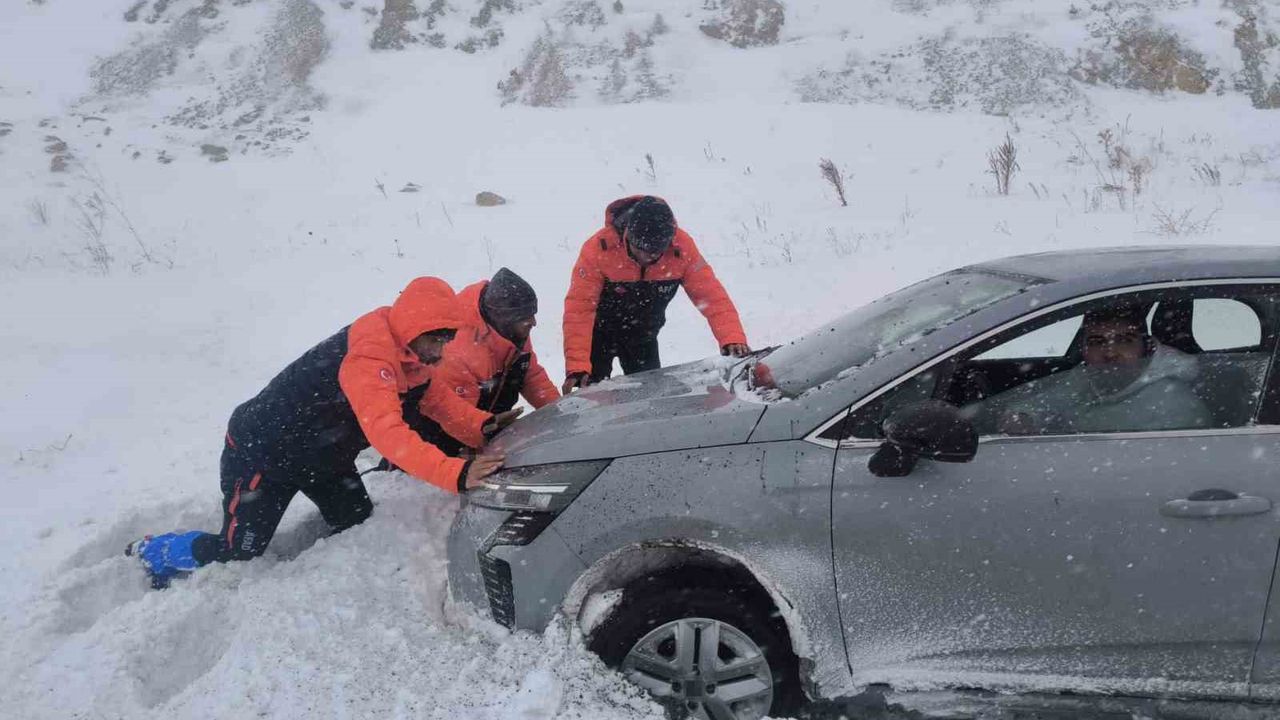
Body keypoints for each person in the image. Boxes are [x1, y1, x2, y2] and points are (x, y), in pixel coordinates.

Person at [127, 278, 504, 587]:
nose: (441, 351)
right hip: (264, 456)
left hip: (323, 457)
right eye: (436, 340)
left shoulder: (412, 354)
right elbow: (388, 434)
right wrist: (456, 474)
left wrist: (480, 426)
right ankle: (154, 552)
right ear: (414, 328)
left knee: (355, 519)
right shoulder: (370, 357)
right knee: (238, 551)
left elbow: (435, 399)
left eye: (446, 340)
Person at [562, 195, 750, 393]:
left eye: (655, 251)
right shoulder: (598, 249)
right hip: (596, 336)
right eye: (640, 249)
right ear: (627, 235)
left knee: (651, 397)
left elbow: (712, 297)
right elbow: (579, 309)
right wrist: (577, 366)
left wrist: (732, 338)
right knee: (590, 397)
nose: (647, 257)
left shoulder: (682, 248)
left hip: (643, 336)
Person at [982, 306, 1212, 435]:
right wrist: (1023, 416)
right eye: (1097, 342)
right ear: (1083, 349)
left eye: (1124, 340)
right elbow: (1046, 403)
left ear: (1147, 347)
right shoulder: (1084, 380)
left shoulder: (1174, 407)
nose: (1110, 353)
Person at [404, 268, 559, 456]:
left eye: (533, 314)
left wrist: (559, 413)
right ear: (505, 320)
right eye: (525, 318)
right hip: (440, 442)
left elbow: (531, 376)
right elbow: (458, 418)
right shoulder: (459, 348)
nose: (533, 322)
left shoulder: (514, 332)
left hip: (487, 425)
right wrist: (482, 453)